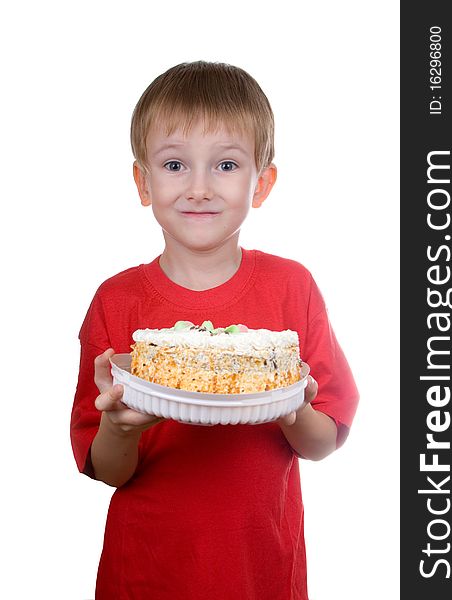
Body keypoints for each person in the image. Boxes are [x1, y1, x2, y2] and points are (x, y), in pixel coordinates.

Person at [70, 60, 359, 600]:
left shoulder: (292, 287)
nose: (199, 188)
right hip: (148, 572)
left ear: (262, 182)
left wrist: (293, 408)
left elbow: (323, 441)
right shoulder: (117, 301)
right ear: (142, 181)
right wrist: (123, 427)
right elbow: (107, 470)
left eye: (226, 165)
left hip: (262, 573)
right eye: (175, 164)